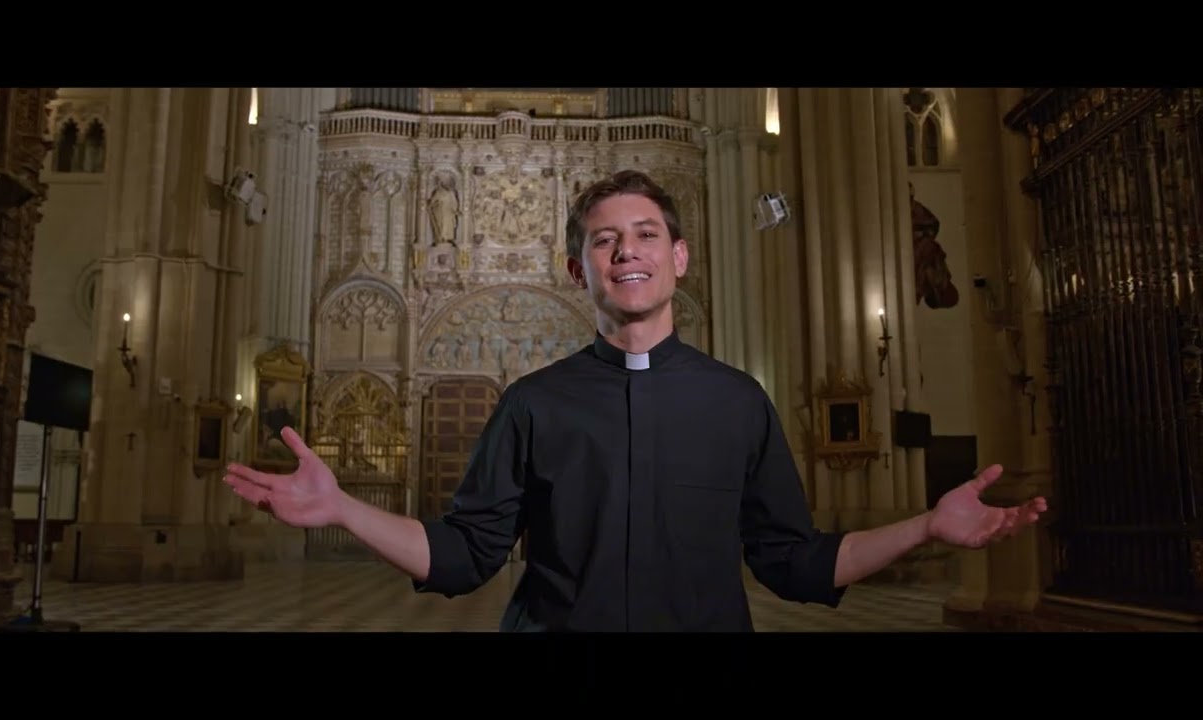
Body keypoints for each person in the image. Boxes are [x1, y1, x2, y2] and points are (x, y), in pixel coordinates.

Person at [223, 170, 1048, 632]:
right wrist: (343, 507)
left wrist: (926, 526)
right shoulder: (533, 405)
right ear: (578, 269)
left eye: (646, 234)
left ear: (679, 258)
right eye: (605, 240)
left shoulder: (739, 403)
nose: (627, 252)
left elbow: (796, 564)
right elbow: (465, 555)